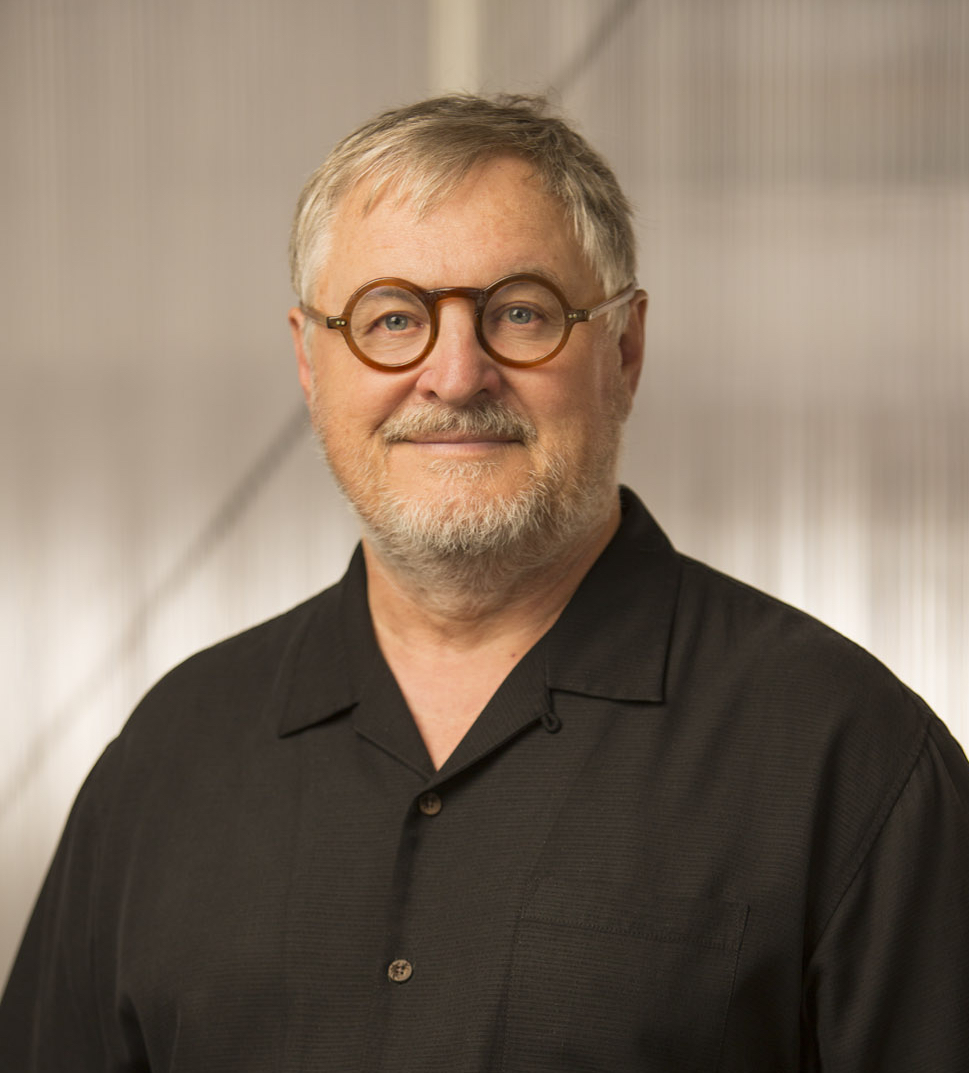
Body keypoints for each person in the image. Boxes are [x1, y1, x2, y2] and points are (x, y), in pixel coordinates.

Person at [1, 93, 967, 1072]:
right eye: (390, 316)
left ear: (624, 350)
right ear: (308, 358)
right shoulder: (169, 760)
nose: (455, 374)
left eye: (519, 313)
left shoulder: (852, 759)